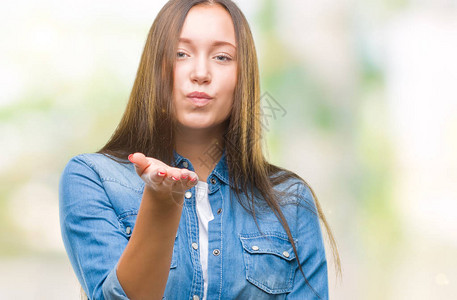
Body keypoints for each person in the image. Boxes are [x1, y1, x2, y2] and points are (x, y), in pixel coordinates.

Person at [59, 0, 341, 299]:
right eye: (181, 54)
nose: (201, 73)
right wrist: (161, 203)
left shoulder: (290, 199)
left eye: (222, 57)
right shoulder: (94, 178)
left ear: (242, 75)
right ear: (155, 66)